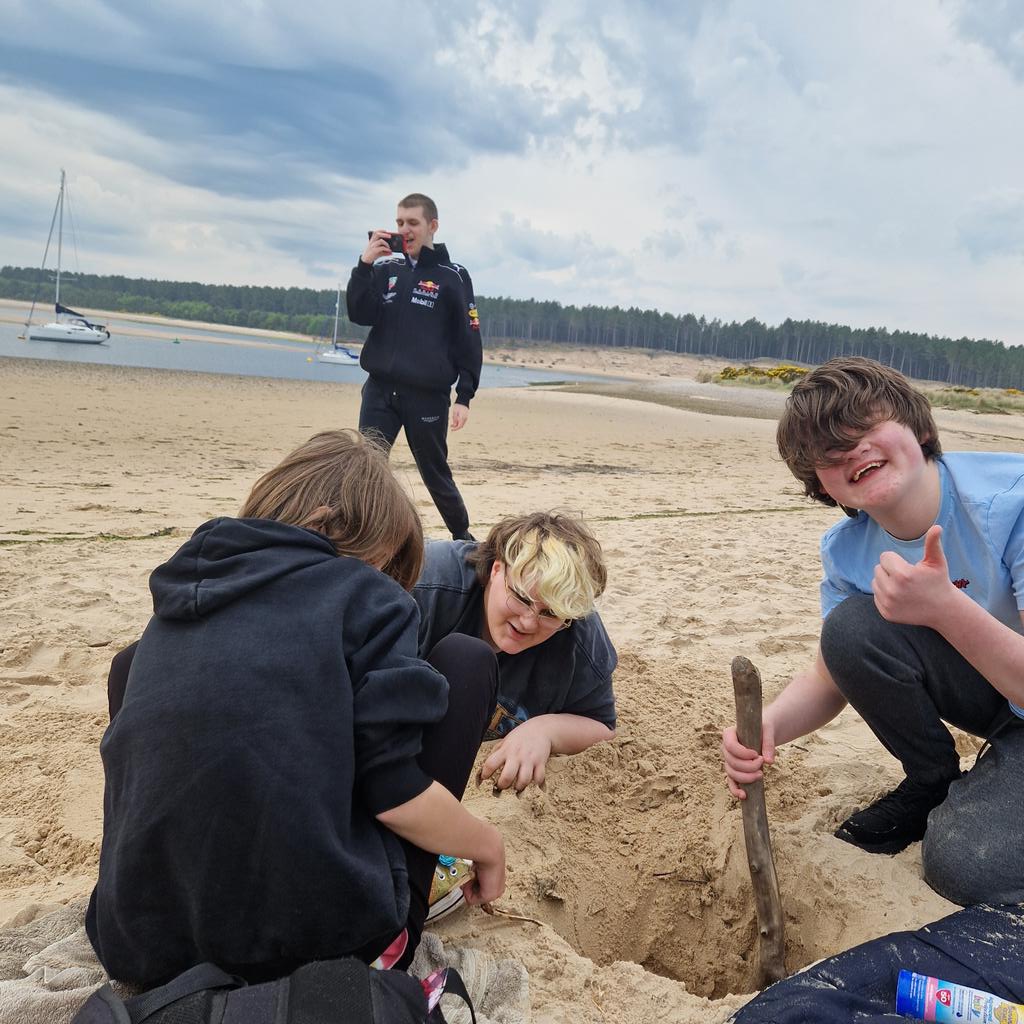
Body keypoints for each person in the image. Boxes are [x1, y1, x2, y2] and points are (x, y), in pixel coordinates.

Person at [85, 430, 505, 988]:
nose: (382, 577)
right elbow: (394, 795)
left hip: (140, 946)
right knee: (466, 661)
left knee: (132, 665)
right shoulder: (366, 594)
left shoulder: (189, 581)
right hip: (323, 950)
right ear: (345, 530)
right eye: (382, 563)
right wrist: (487, 845)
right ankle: (401, 916)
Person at [721, 357, 1024, 907]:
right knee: (851, 629)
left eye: (865, 429)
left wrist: (944, 608)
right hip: (1000, 702)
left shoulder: (1012, 503)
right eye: (829, 455)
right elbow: (832, 669)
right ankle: (930, 780)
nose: (852, 451)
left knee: (964, 865)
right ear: (824, 486)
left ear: (920, 429)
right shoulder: (846, 550)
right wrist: (767, 726)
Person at [414, 511, 617, 794]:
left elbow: (602, 725)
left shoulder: (580, 640)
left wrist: (545, 731)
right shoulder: (424, 586)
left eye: (551, 613)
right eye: (521, 598)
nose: (528, 622)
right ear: (497, 569)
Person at [347, 193, 481, 541]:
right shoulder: (385, 269)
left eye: (413, 223)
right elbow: (360, 314)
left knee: (434, 471)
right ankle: (359, 534)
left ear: (432, 226)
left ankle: (463, 536)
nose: (404, 230)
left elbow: (469, 337)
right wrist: (363, 266)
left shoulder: (453, 275)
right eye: (399, 223)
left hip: (427, 396)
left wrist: (464, 395)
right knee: (367, 467)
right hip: (379, 390)